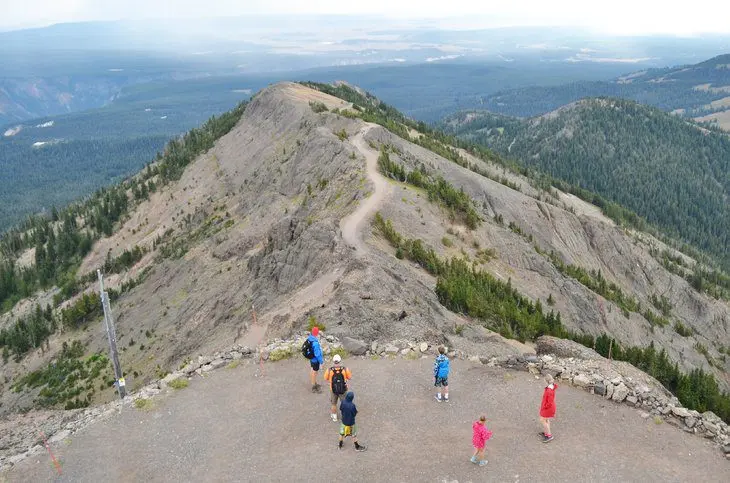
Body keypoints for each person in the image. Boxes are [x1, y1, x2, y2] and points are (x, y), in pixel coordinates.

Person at [324, 354, 352, 422]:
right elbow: (350, 377)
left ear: (333, 361)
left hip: (333, 389)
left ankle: (334, 417)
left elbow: (325, 378)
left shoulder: (329, 370)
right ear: (340, 361)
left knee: (333, 404)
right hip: (343, 389)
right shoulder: (345, 369)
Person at [303, 326, 324, 393]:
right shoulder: (315, 343)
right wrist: (321, 361)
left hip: (311, 358)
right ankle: (314, 386)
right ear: (317, 333)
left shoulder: (310, 338)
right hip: (315, 360)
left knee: (312, 370)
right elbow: (317, 354)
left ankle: (314, 382)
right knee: (315, 372)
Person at [539, 373, 558, 442]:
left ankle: (549, 435)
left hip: (547, 408)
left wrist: (544, 407)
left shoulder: (549, 391)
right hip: (549, 408)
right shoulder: (551, 387)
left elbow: (549, 403)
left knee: (542, 420)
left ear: (546, 381)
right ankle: (546, 433)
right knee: (546, 420)